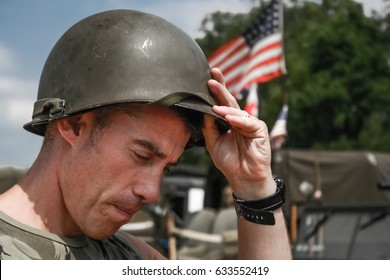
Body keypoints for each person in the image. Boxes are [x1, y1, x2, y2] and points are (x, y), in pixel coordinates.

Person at [0, 9, 291, 260]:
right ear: (74, 125)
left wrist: (254, 189)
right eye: (141, 155)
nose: (151, 193)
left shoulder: (126, 252)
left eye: (166, 167)